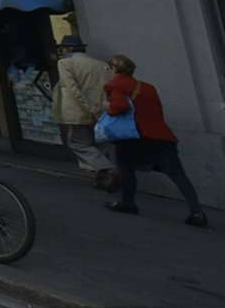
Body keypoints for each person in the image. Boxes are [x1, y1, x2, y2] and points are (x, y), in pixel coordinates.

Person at [101, 54, 208, 228]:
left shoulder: (114, 85)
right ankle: (197, 211)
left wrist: (107, 106)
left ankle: (127, 203)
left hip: (133, 137)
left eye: (108, 68)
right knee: (178, 174)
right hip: (160, 135)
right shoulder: (148, 87)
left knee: (126, 169)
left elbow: (119, 107)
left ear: (114, 69)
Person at [53, 34, 115, 189]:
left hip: (79, 112)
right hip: (102, 109)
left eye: (64, 49)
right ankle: (102, 179)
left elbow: (72, 89)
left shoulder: (65, 63)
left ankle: (107, 168)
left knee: (78, 143)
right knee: (100, 144)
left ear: (69, 49)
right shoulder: (101, 64)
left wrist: (87, 107)